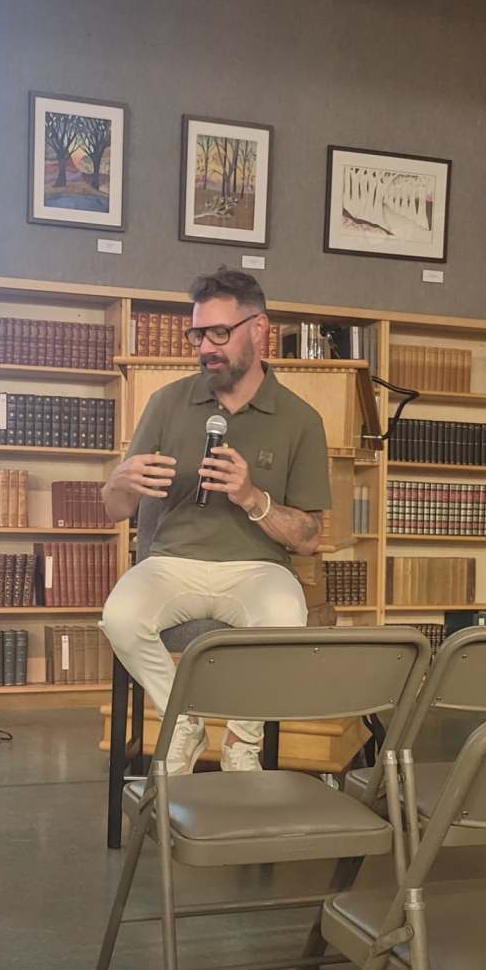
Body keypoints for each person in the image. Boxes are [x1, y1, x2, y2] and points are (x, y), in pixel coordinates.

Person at [101, 267, 331, 774]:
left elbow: (309, 539)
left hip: (257, 568)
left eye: (219, 333)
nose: (206, 347)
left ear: (259, 329)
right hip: (171, 563)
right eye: (198, 334)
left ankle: (242, 741)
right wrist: (119, 482)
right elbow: (115, 509)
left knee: (285, 618)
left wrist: (252, 497)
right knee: (120, 617)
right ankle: (183, 720)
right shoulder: (167, 403)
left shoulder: (301, 420)